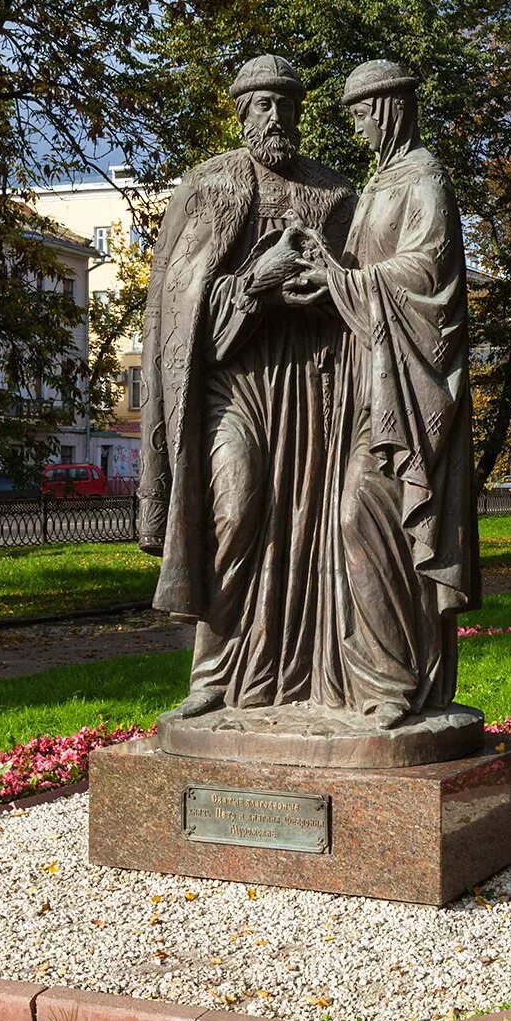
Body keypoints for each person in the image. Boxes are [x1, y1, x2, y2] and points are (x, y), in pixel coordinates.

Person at [137, 55, 358, 719]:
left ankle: (301, 678)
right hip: (229, 384)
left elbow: (358, 299)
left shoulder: (333, 194)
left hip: (308, 387)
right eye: (262, 104)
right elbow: (178, 308)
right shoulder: (209, 186)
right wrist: (255, 282)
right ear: (241, 113)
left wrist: (317, 285)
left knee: (301, 528)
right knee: (233, 508)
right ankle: (214, 671)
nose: (277, 116)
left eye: (287, 104)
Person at [295, 60, 480, 727]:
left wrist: (349, 281)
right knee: (355, 523)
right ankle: (372, 679)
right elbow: (374, 271)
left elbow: (426, 274)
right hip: (369, 378)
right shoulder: (380, 183)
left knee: (361, 517)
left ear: (389, 107)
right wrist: (331, 269)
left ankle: (396, 682)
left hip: (403, 388)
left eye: (360, 113)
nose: (357, 126)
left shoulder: (423, 175)